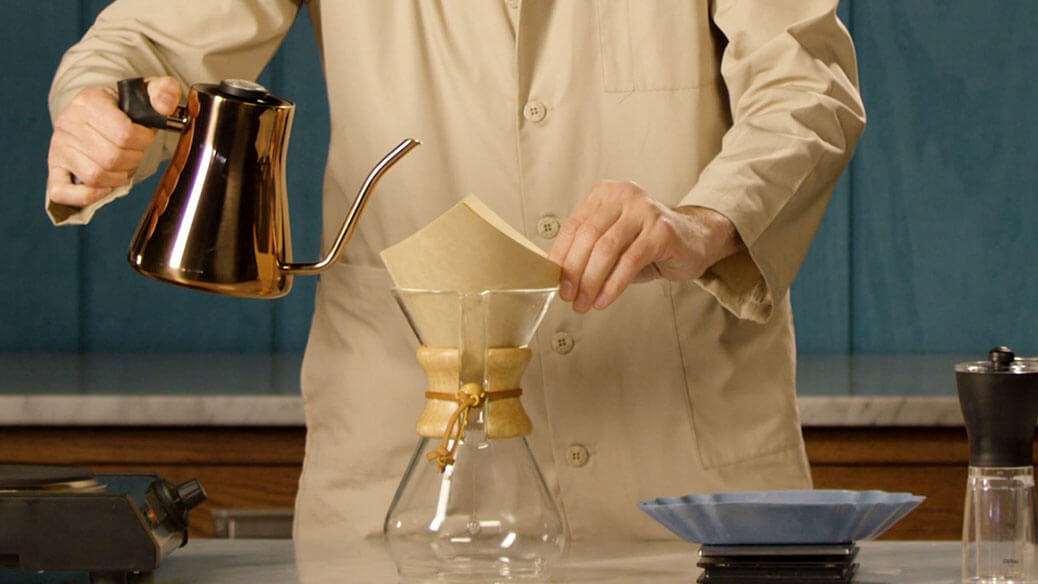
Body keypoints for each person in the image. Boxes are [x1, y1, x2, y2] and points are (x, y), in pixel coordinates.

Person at [45, 1, 865, 543]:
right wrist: (100, 108)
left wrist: (703, 221)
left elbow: (807, 91)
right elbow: (145, 44)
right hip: (401, 469)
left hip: (683, 487)